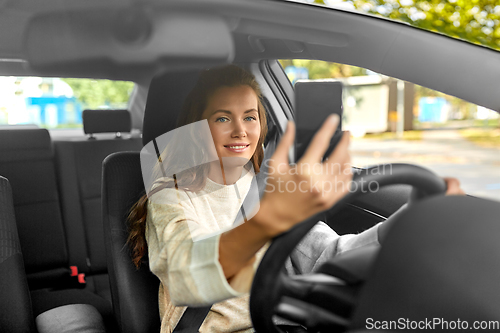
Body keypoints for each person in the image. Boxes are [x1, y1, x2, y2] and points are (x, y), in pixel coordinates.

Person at [128, 64, 464, 333]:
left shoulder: (264, 185)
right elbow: (187, 273)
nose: (240, 130)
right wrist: (266, 221)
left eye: (250, 116)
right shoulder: (170, 195)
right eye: (222, 118)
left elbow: (327, 254)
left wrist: (410, 221)